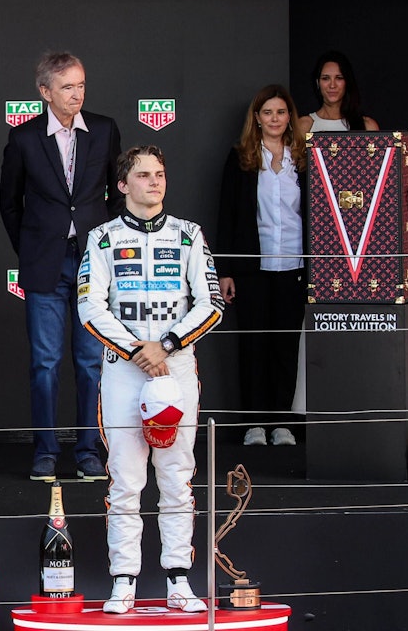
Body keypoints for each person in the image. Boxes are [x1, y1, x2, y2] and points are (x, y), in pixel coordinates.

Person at [78, 145, 223, 615]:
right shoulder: (101, 238)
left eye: (159, 174)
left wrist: (168, 345)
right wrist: (138, 350)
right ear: (122, 186)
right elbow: (89, 307)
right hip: (124, 368)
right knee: (125, 477)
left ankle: (179, 579)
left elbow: (212, 303)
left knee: (177, 475)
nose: (154, 182)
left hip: (175, 365)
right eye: (143, 175)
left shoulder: (189, 235)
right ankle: (125, 580)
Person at [0, 51, 121, 482]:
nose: (76, 94)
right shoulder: (25, 138)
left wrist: (107, 251)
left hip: (93, 265)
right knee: (45, 363)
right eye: (67, 87)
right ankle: (46, 451)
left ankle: (90, 450)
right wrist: (31, 250)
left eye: (81, 85)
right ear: (45, 91)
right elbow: (9, 204)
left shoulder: (104, 131)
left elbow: (118, 197)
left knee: (91, 362)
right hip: (44, 264)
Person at [218, 86, 307, 447]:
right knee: (253, 347)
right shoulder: (240, 158)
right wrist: (226, 270)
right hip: (252, 268)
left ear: (290, 118)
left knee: (284, 348)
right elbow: (227, 215)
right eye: (267, 112)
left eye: (281, 112)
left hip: (294, 266)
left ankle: (281, 423)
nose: (274, 119)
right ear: (256, 118)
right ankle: (253, 424)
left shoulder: (301, 160)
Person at [295, 51, 378, 134]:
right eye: (325, 78)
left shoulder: (367, 126)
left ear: (347, 82)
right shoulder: (304, 125)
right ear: (317, 83)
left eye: (339, 78)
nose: (332, 85)